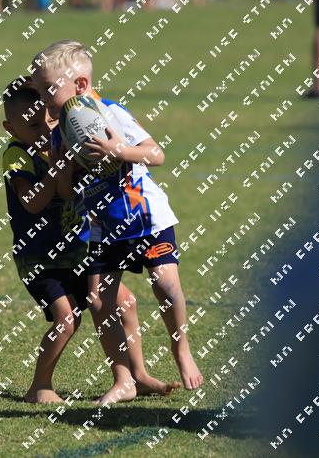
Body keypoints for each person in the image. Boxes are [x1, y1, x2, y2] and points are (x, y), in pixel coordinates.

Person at [31, 40, 204, 404]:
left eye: (48, 89)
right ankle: (123, 379)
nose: (43, 99)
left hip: (145, 217)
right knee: (99, 300)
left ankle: (181, 349)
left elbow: (156, 154)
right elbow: (67, 191)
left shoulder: (109, 113)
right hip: (103, 227)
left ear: (80, 85)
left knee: (165, 285)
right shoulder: (59, 132)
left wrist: (119, 150)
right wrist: (62, 166)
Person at [1, 77, 178, 402]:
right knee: (67, 319)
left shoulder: (64, 141)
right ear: (10, 128)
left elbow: (73, 193)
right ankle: (40, 386)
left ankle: (137, 376)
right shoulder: (16, 155)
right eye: (33, 125)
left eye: (49, 121)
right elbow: (33, 203)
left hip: (77, 249)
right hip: (40, 259)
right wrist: (57, 170)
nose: (45, 130)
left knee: (125, 304)